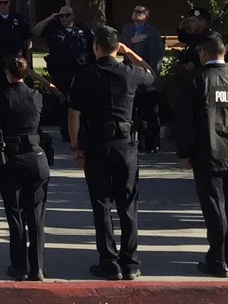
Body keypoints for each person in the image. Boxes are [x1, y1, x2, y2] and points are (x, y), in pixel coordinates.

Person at [67, 25, 156, 281]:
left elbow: (74, 114)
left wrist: (75, 146)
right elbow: (152, 75)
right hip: (125, 144)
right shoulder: (129, 72)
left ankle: (110, 263)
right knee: (128, 205)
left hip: (96, 144)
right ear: (117, 47)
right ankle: (131, 263)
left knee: (101, 204)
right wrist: (130, 54)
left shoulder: (85, 75)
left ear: (95, 47)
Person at [174, 31, 228, 278]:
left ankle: (217, 260)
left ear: (204, 53)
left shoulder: (197, 80)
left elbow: (186, 121)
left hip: (209, 152)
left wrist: (184, 153)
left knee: (214, 207)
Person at [0, 55, 49, 282]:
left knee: (15, 214)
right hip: (36, 157)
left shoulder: (0, 98)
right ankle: (38, 268)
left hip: (11, 159)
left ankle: (19, 266)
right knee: (36, 215)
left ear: (7, 73)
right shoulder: (36, 96)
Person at [121, 5, 165, 153]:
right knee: (131, 111)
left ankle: (153, 143)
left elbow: (156, 56)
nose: (136, 13)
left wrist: (153, 75)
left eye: (140, 12)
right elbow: (122, 47)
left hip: (146, 77)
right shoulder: (127, 30)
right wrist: (133, 41)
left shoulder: (152, 33)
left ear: (146, 15)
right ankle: (132, 141)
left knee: (151, 113)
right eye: (134, 11)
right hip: (130, 77)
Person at [33, 6, 91, 98]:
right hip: (60, 73)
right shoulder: (53, 29)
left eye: (67, 15)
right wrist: (50, 18)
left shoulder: (83, 29)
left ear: (73, 16)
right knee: (60, 100)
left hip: (80, 71)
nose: (64, 18)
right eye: (61, 16)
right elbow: (35, 31)